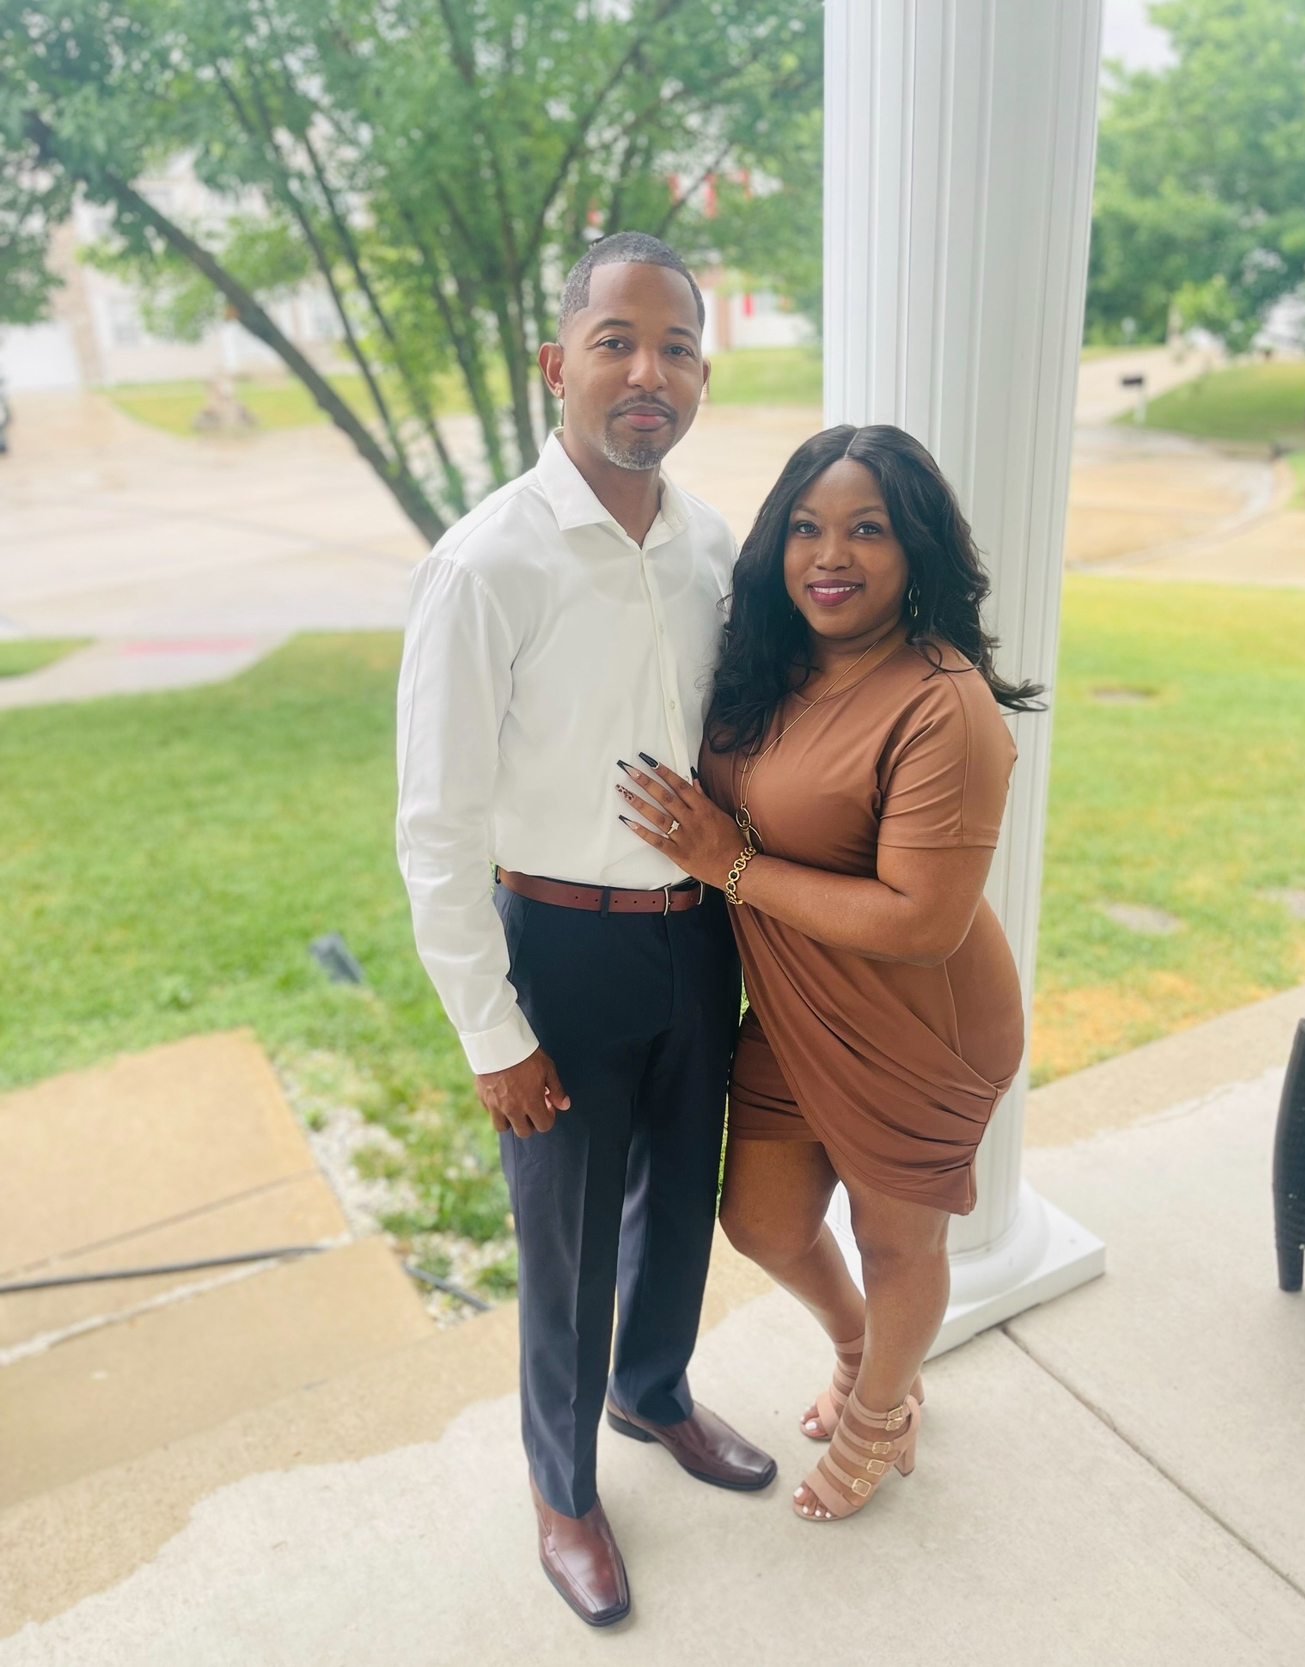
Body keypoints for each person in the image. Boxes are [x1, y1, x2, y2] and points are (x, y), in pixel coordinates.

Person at [396, 232, 774, 1629]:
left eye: (675, 346)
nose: (646, 371)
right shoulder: (487, 561)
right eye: (617, 340)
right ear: (557, 363)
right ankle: (562, 1487)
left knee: (680, 1196)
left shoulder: (709, 543)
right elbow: (434, 825)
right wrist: (492, 1030)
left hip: (697, 932)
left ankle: (652, 1389)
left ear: (700, 378)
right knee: (564, 1246)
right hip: (557, 948)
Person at [616, 423, 1042, 1524]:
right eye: (806, 526)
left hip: (921, 1020)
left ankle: (880, 1411)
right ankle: (863, 1349)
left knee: (899, 1239)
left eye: (867, 529)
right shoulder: (769, 658)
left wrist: (730, 863)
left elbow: (922, 921)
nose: (829, 553)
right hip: (796, 1002)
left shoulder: (943, 703)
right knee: (759, 1219)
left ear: (917, 554)